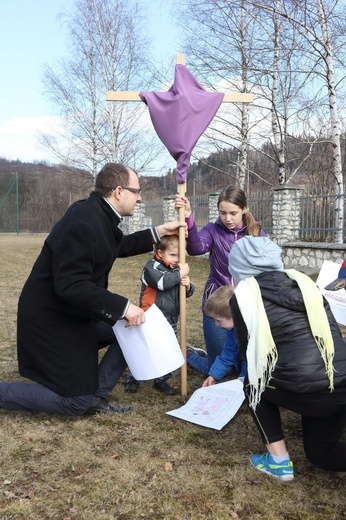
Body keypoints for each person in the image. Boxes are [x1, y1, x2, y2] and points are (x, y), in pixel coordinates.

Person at [0, 163, 185, 417]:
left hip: (74, 315)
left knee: (134, 326)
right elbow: (70, 285)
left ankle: (95, 397)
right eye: (137, 191)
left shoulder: (97, 214)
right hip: (52, 324)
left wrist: (159, 232)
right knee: (73, 402)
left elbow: (115, 246)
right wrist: (123, 307)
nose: (140, 197)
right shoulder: (84, 222)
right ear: (119, 191)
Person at [227, 235, 346, 481]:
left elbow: (249, 352)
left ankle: (279, 462)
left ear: (238, 268)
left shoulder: (244, 297)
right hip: (341, 381)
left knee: (253, 381)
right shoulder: (305, 283)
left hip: (308, 389)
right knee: (321, 456)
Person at [175, 186, 265, 376]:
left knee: (245, 366)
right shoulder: (213, 230)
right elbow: (196, 248)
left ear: (244, 209)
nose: (228, 218)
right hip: (218, 303)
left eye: (233, 213)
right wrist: (189, 218)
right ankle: (189, 354)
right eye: (223, 213)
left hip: (247, 305)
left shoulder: (257, 233)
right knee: (217, 368)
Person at [124, 234, 195, 396]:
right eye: (172, 255)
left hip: (170, 319)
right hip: (150, 319)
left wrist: (188, 285)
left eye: (180, 255)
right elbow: (162, 283)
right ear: (160, 252)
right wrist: (180, 274)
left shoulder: (177, 270)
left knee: (167, 350)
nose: (177, 259)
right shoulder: (151, 267)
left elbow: (186, 293)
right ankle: (135, 377)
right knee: (145, 350)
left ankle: (161, 379)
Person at [201, 285, 247, 387]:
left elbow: (250, 362)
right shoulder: (233, 330)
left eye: (219, 320)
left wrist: (244, 381)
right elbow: (229, 353)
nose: (216, 324)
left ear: (234, 315)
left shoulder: (253, 332)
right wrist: (213, 376)